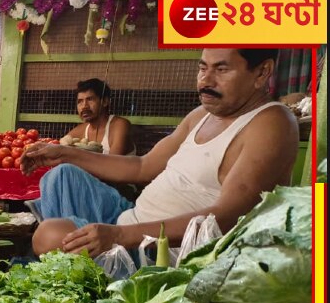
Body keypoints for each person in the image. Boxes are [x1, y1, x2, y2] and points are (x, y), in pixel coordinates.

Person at [24, 49, 298, 259]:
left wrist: (119, 236)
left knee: (48, 236)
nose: (205, 80)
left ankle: (91, 265)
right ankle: (88, 257)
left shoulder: (271, 122)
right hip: (130, 219)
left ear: (262, 72)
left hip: (161, 251)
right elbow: (142, 167)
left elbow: (224, 217)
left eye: (221, 69)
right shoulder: (201, 114)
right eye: (202, 68)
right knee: (61, 175)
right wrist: (63, 153)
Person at [62, 79, 135, 155]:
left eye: (90, 99)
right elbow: (59, 147)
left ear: (105, 102)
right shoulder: (81, 129)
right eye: (80, 101)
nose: (84, 106)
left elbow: (112, 162)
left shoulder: (119, 125)